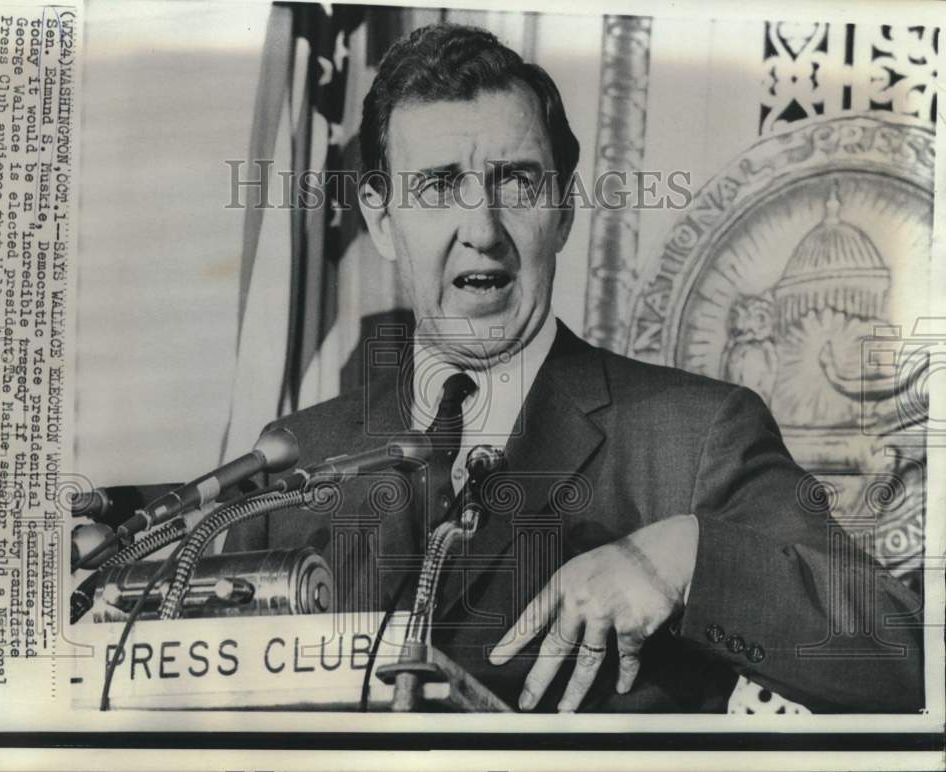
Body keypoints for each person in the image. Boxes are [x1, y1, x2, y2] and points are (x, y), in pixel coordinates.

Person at [224, 23, 923, 713]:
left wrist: (689, 556)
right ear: (380, 218)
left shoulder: (698, 435)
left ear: (562, 209)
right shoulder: (291, 463)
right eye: (439, 186)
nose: (483, 230)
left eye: (516, 182)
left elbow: (907, 657)